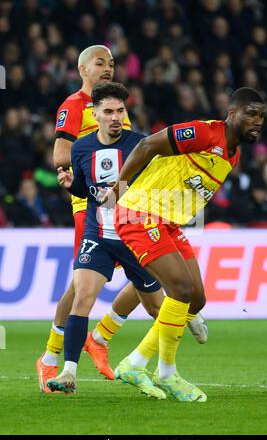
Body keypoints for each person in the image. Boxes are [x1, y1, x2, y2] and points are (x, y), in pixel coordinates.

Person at [36, 44, 208, 393]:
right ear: (83, 69)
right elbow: (61, 155)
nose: (109, 68)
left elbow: (140, 159)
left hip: (132, 218)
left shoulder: (127, 127)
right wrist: (77, 179)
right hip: (94, 215)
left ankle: (106, 338)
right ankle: (56, 361)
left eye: (112, 63)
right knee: (81, 288)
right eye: (101, 63)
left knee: (153, 298)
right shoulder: (74, 107)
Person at [104, 87, 265, 402]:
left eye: (261, 116)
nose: (257, 121)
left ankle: (135, 363)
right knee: (180, 288)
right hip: (140, 212)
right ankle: (166, 374)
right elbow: (148, 144)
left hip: (168, 221)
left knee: (195, 299)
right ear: (232, 113)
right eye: (251, 114)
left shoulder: (233, 155)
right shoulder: (204, 133)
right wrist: (118, 188)